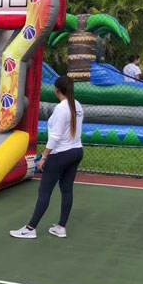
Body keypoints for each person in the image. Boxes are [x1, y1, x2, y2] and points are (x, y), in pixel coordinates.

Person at [10, 76, 84, 239]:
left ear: (56, 90)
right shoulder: (77, 105)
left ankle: (30, 229)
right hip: (76, 151)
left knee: (44, 191)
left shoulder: (61, 108)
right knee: (67, 190)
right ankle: (61, 227)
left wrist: (44, 156)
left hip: (61, 154)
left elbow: (55, 137)